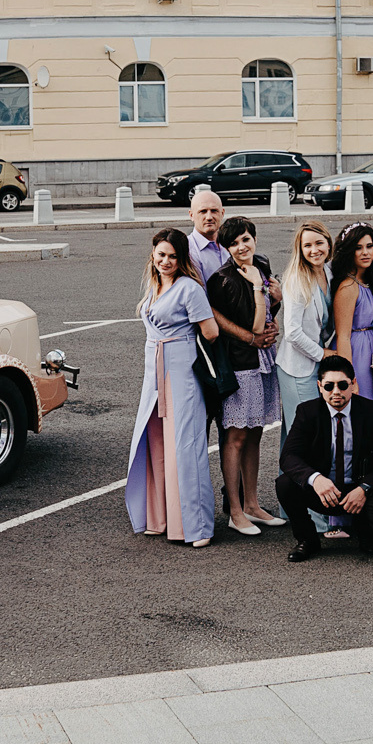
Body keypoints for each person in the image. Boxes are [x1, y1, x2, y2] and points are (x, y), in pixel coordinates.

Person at [125, 228, 221, 547]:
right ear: (153, 254)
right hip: (154, 370)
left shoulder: (189, 289)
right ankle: (160, 518)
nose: (165, 261)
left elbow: (210, 332)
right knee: (153, 441)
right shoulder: (154, 285)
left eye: (172, 256)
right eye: (161, 254)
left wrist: (178, 342)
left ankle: (196, 527)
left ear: (181, 260)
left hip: (181, 370)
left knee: (186, 446)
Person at [204, 215, 286, 538]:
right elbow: (252, 326)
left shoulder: (262, 264)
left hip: (264, 359)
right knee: (235, 436)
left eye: (246, 239)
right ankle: (235, 511)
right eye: (234, 243)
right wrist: (257, 289)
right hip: (240, 364)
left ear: (254, 239)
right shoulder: (222, 279)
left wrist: (275, 303)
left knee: (255, 432)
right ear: (226, 248)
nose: (241, 247)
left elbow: (266, 316)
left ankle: (253, 504)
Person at [278, 354, 373, 562]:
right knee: (285, 484)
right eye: (329, 386)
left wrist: (364, 488)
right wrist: (315, 479)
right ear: (320, 386)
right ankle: (308, 540)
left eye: (342, 385)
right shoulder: (307, 412)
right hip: (324, 490)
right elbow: (288, 456)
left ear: (354, 384)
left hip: (359, 490)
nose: (336, 392)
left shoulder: (372, 411)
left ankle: (364, 528)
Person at [276, 220, 336, 424]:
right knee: (305, 427)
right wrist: (322, 353)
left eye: (319, 243)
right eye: (307, 246)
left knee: (300, 428)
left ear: (328, 243)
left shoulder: (329, 272)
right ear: (300, 250)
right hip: (297, 366)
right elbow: (292, 332)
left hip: (315, 363)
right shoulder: (296, 278)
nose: (314, 250)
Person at [329, 223, 373, 404]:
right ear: (349, 251)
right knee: (361, 404)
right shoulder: (348, 287)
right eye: (358, 248)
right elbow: (343, 336)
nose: (365, 252)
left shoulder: (368, 280)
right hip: (356, 351)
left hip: (371, 348)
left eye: (369, 246)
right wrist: (349, 377)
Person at [186, 189, 230, 286]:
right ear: (191, 215)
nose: (209, 217)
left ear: (222, 213)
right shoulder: (186, 249)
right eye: (203, 211)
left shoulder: (232, 243)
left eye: (214, 211)